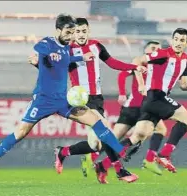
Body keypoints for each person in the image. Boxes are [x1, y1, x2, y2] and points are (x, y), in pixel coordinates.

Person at [0, 14, 143, 182]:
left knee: (96, 120)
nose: (71, 35)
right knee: (20, 133)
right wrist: (42, 59)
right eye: (69, 32)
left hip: (63, 101)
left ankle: (122, 152)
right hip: (43, 100)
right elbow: (39, 49)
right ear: (58, 30)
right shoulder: (48, 43)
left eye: (73, 32)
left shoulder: (69, 48)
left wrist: (79, 57)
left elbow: (66, 59)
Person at [28, 17, 146, 183]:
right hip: (81, 99)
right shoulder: (67, 50)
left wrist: (134, 67)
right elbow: (54, 70)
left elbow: (112, 62)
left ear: (89, 31)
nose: (81, 34)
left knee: (95, 145)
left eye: (84, 31)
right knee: (106, 132)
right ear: (72, 33)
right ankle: (120, 171)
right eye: (77, 31)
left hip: (97, 98)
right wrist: (37, 64)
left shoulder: (96, 46)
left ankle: (64, 152)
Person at [93, 41, 168, 183]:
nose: (156, 51)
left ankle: (101, 162)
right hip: (137, 106)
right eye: (152, 48)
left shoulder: (157, 65)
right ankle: (148, 159)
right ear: (144, 50)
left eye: (158, 49)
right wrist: (122, 93)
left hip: (144, 105)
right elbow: (123, 75)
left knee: (130, 137)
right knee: (129, 137)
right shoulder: (141, 64)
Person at [133, 28, 187, 174]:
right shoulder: (163, 54)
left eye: (182, 40)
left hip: (158, 99)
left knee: (139, 135)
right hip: (155, 96)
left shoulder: (186, 59)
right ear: (172, 39)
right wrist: (141, 84)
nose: (178, 43)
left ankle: (104, 165)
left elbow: (182, 84)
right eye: (176, 39)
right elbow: (137, 60)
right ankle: (164, 154)